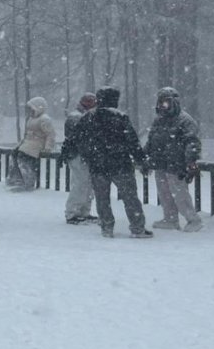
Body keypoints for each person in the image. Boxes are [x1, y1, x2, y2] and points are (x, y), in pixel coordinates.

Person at [62, 86, 152, 239]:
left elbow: (75, 138)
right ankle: (137, 227)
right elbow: (132, 142)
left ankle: (107, 226)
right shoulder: (120, 117)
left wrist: (83, 154)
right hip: (120, 164)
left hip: (98, 165)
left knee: (102, 198)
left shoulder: (88, 117)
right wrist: (141, 159)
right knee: (130, 197)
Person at [144, 87, 202, 232]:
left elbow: (192, 142)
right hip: (160, 163)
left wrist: (191, 161)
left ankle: (193, 220)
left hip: (176, 164)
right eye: (160, 101)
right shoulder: (159, 121)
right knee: (164, 194)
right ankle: (170, 219)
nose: (162, 105)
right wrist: (145, 158)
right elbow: (151, 141)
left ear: (174, 102)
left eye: (166, 102)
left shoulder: (185, 120)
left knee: (180, 194)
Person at [62, 93, 97, 224]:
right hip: (78, 155)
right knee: (81, 183)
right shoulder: (76, 117)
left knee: (87, 183)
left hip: (85, 155)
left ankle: (84, 211)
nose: (91, 104)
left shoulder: (86, 116)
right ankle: (72, 212)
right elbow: (78, 138)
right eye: (89, 101)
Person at [13, 97, 56, 191]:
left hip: (36, 144)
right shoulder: (31, 118)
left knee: (24, 158)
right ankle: (18, 179)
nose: (29, 110)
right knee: (16, 154)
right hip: (29, 143)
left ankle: (27, 181)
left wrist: (48, 147)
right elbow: (27, 133)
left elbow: (50, 134)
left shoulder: (44, 119)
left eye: (31, 108)